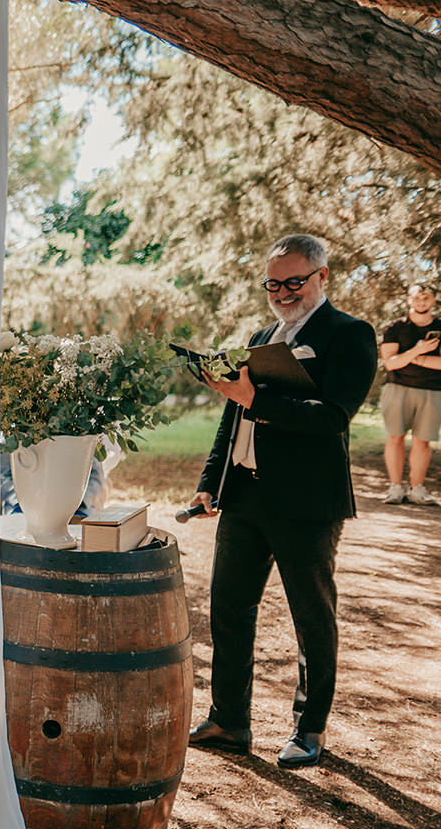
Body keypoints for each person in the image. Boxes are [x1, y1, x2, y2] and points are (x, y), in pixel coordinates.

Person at [186, 233, 378, 770]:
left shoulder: (350, 335)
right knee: (228, 608)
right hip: (244, 495)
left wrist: (258, 398)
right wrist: (210, 481)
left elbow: (333, 418)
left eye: (295, 281)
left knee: (311, 618)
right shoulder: (260, 335)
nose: (284, 292)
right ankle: (229, 720)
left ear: (322, 277)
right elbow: (234, 416)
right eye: (274, 283)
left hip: (306, 503)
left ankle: (309, 729)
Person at [378, 280, 441, 505]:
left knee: (422, 441)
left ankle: (417, 489)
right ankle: (395, 488)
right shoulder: (395, 328)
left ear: (434, 300)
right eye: (416, 297)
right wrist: (420, 350)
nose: (421, 301)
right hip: (397, 388)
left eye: (426, 297)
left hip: (432, 391)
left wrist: (413, 358)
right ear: (408, 300)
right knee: (395, 438)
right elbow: (390, 364)